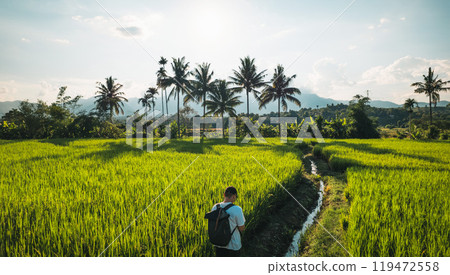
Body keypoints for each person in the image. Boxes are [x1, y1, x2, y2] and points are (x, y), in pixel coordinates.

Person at [211, 186, 245, 257]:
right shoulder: (237, 209)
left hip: (219, 244)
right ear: (234, 196)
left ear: (224, 195)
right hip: (233, 245)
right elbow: (241, 228)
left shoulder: (215, 207)